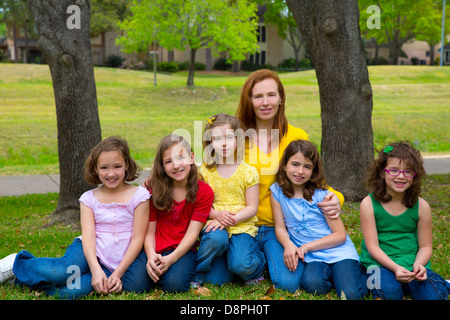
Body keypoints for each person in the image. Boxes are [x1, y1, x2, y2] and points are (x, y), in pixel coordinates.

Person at [0, 136, 151, 299]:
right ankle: (18, 262)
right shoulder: (89, 198)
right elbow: (88, 237)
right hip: (88, 252)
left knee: (70, 293)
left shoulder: (139, 196)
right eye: (104, 167)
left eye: (117, 166)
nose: (111, 173)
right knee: (61, 272)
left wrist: (118, 273)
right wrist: (95, 269)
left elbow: (138, 239)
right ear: (95, 169)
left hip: (117, 264)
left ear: (127, 165)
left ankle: (21, 280)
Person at [235, 69, 344, 292]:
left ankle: (263, 258)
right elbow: (211, 173)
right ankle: (246, 261)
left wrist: (337, 198)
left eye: (271, 95)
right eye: (258, 96)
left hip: (280, 228)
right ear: (249, 100)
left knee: (288, 283)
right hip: (242, 224)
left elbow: (314, 179)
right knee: (228, 271)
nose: (266, 102)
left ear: (281, 98)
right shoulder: (237, 138)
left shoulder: (297, 136)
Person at [271, 139, 367, 299]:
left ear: (314, 170)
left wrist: (307, 246)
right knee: (312, 285)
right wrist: (288, 245)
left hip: (338, 252)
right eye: (295, 164)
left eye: (307, 167)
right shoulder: (277, 192)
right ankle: (338, 277)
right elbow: (280, 227)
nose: (300, 171)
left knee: (350, 294)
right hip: (313, 257)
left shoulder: (322, 195)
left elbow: (340, 236)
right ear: (284, 165)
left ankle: (358, 274)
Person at [360, 141, 449, 300]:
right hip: (378, 264)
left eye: (408, 172)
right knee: (387, 293)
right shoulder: (368, 204)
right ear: (382, 172)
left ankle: (439, 283)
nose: (401, 176)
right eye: (394, 170)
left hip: (412, 263)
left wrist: (419, 265)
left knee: (432, 296)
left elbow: (426, 246)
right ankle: (379, 284)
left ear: (415, 176)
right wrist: (395, 268)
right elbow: (372, 247)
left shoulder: (421, 206)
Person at [193, 114, 265, 287]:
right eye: (217, 139)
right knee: (216, 246)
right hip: (215, 223)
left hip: (241, 224)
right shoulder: (205, 172)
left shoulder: (248, 172)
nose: (223, 143)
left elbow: (252, 207)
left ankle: (258, 263)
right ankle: (198, 272)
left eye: (229, 137)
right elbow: (200, 206)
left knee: (240, 265)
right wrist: (217, 215)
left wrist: (231, 219)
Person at [144, 134, 214, 292]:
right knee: (134, 285)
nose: (176, 166)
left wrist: (171, 259)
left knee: (174, 286)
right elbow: (149, 231)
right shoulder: (154, 189)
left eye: (180, 158)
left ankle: (169, 272)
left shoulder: (204, 192)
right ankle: (156, 270)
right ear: (162, 165)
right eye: (168, 161)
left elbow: (192, 234)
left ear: (191, 157)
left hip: (183, 249)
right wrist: (150, 255)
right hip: (154, 247)